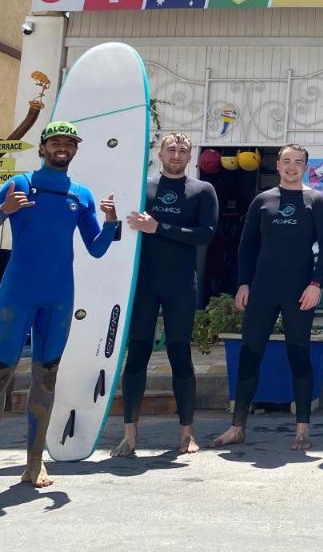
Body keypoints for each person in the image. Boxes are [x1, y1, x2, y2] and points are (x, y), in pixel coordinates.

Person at [0, 121, 118, 496]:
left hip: (59, 296)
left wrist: (110, 224)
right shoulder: (19, 185)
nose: (63, 147)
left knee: (47, 376)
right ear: (43, 148)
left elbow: (95, 247)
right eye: (56, 142)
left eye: (69, 143)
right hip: (18, 294)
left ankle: (34, 462)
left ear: (76, 150)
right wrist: (2, 210)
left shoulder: (81, 194)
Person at [213, 144, 323, 452]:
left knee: (299, 355)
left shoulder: (316, 202)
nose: (292, 167)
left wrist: (316, 284)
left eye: (298, 162)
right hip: (263, 289)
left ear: (306, 167)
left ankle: (302, 429)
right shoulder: (262, 201)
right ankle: (237, 426)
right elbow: (248, 246)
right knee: (250, 353)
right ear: (278, 165)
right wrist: (243, 284)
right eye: (286, 161)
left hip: (299, 292)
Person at [112, 133, 218, 457]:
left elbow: (205, 234)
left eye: (183, 150)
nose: (176, 154)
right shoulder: (142, 189)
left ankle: (187, 433)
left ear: (190, 157)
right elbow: (121, 231)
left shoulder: (202, 191)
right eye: (171, 149)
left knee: (179, 354)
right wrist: (109, 216)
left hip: (181, 284)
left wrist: (160, 228)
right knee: (137, 355)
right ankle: (129, 435)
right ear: (160, 153)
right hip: (144, 283)